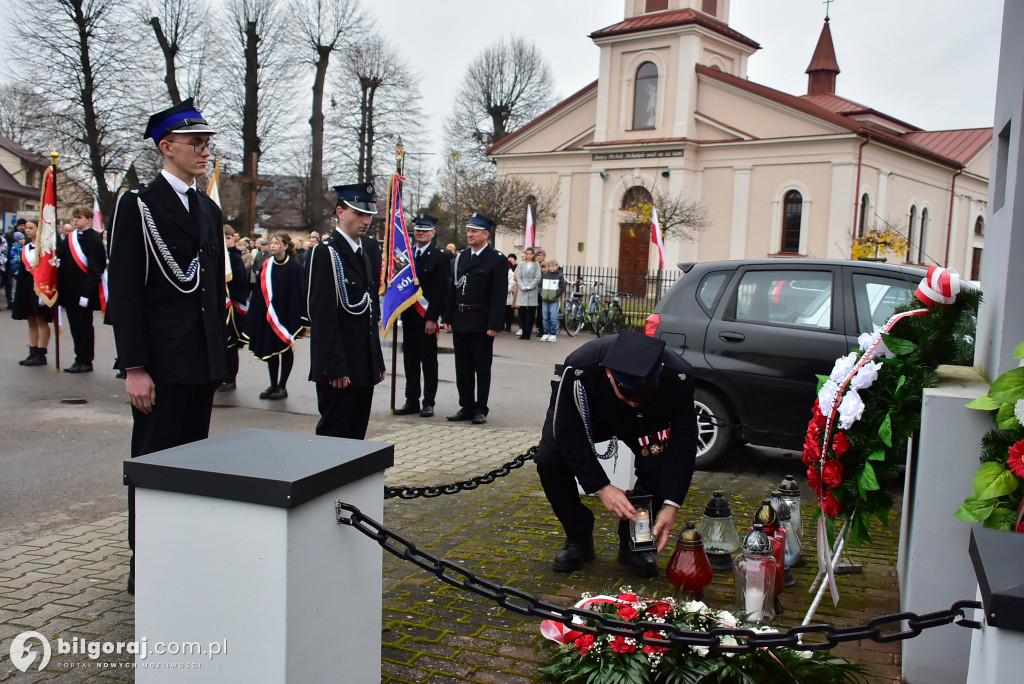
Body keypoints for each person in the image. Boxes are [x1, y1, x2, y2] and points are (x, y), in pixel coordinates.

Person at [107, 97, 227, 595]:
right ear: (167, 147)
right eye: (195, 142)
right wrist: (134, 366)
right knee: (155, 464)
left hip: (199, 360)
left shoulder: (205, 207)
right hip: (160, 362)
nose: (204, 150)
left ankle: (185, 553)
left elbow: (211, 290)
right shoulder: (138, 205)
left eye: (206, 142)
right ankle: (148, 563)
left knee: (193, 463)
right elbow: (127, 292)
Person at [535, 331, 698, 578]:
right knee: (550, 460)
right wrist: (602, 487)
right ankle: (578, 537)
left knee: (657, 465)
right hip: (592, 415)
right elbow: (566, 433)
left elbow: (684, 443)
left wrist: (672, 503)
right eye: (628, 393)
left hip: (648, 421)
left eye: (642, 394)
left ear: (661, 369)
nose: (634, 402)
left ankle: (635, 540)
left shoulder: (679, 375)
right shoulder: (580, 367)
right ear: (609, 373)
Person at [307, 183, 386, 439]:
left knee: (356, 434)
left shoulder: (366, 251)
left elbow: (370, 311)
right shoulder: (326, 253)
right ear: (340, 212)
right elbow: (323, 316)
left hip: (363, 362)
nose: (366, 220)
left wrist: (377, 359)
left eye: (369, 215)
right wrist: (334, 366)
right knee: (335, 433)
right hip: (340, 366)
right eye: (358, 213)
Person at [442, 213, 508, 425]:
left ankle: (481, 407)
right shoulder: (461, 257)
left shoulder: (497, 259)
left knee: (481, 366)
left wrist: (494, 324)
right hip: (461, 318)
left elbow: (499, 294)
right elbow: (454, 288)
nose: (469, 234)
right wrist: (448, 315)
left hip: (482, 320)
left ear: (486, 234)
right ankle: (466, 405)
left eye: (474, 231)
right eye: (468, 230)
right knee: (462, 366)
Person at [394, 215, 449, 418]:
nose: (420, 233)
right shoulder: (406, 256)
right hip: (409, 316)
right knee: (410, 359)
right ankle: (412, 400)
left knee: (428, 361)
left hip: (427, 316)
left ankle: (428, 402)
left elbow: (441, 290)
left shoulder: (440, 257)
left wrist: (433, 318)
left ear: (433, 233)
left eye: (425, 230)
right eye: (418, 229)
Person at [244, 232, 307, 400]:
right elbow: (259, 291)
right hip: (269, 316)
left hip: (286, 315)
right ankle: (273, 384)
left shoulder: (294, 267)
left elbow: (300, 292)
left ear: (285, 246)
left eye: (276, 243)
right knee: (271, 350)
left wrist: (300, 316)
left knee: (285, 349)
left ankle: (282, 386)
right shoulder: (267, 265)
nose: (272, 246)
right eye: (271, 243)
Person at [57, 206, 106, 373]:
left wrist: (87, 293)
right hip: (69, 291)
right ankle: (78, 358)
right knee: (75, 327)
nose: (75, 220)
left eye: (79, 217)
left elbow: (96, 267)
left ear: (89, 219)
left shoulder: (94, 239)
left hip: (83, 292)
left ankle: (86, 360)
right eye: (75, 217)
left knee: (84, 327)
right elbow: (61, 257)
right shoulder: (70, 238)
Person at [11, 222, 53, 366]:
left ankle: (41, 352)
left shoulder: (46, 249)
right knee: (31, 320)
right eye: (26, 228)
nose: (27, 231)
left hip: (40, 287)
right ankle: (33, 350)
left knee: (41, 320)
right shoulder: (25, 249)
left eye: (31, 228)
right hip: (26, 287)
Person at [218, 226, 250, 392]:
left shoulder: (235, 258)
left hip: (230, 304)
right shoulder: (216, 254)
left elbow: (241, 282)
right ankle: (220, 375)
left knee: (230, 343)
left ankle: (231, 377)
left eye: (229, 237)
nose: (226, 240)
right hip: (217, 305)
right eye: (224, 236)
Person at [514, 247, 540, 340]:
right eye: (527, 254)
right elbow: (518, 276)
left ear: (533, 255)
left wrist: (529, 286)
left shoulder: (536, 265)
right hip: (522, 289)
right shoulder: (522, 264)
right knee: (522, 311)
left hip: (531, 290)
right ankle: (523, 331)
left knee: (531, 312)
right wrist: (522, 286)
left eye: (530, 254)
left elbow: (537, 277)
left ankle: (528, 332)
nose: (528, 256)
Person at [539, 258, 567, 342]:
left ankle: (553, 334)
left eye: (553, 266)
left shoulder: (559, 276)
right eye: (550, 266)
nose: (551, 268)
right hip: (545, 299)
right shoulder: (545, 275)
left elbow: (562, 287)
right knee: (545, 317)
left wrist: (555, 294)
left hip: (554, 300)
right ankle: (545, 333)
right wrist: (542, 293)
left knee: (553, 317)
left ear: (556, 267)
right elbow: (540, 285)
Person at [503, 253, 517, 333]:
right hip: (502, 297)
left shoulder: (511, 274)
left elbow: (511, 285)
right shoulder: (502, 273)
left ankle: (508, 326)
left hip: (508, 296)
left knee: (509, 313)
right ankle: (501, 326)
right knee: (502, 313)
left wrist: (503, 291)